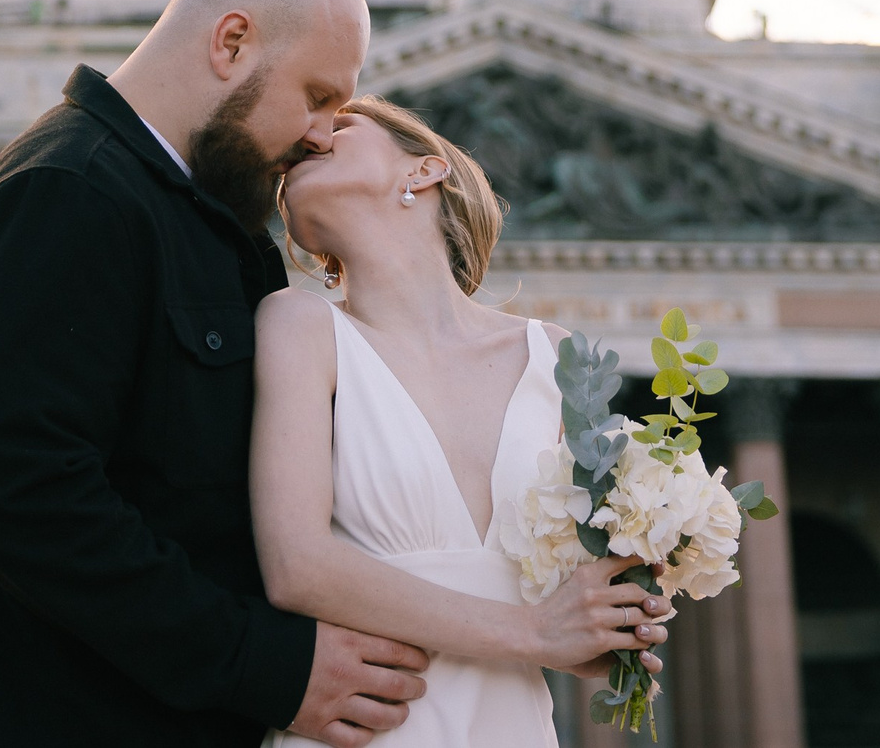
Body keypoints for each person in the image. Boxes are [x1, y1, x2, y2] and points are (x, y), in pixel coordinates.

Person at [0, 0, 435, 747]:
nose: (322, 133)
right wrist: (263, 665)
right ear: (232, 41)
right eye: (317, 95)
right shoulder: (69, 192)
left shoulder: (198, 212)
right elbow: (16, 493)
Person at [253, 98, 673, 745]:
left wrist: (619, 612)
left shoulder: (555, 355)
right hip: (372, 725)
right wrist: (535, 633)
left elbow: (573, 584)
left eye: (339, 127)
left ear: (424, 171)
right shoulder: (300, 324)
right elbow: (296, 565)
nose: (308, 136)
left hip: (509, 722)